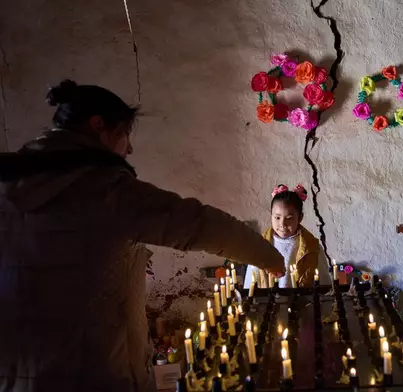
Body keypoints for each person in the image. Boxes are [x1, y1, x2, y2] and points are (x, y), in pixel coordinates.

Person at [0, 80, 285, 392]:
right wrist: (269, 257)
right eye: (125, 134)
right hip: (95, 371)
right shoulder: (105, 191)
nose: (129, 148)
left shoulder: (7, 186)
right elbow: (198, 224)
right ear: (98, 125)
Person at [243, 184, 331, 289]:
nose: (282, 224)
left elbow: (325, 285)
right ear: (271, 215)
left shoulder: (312, 248)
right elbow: (250, 283)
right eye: (277, 217)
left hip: (302, 303)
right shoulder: (260, 245)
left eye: (289, 218)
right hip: (271, 303)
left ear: (300, 217)